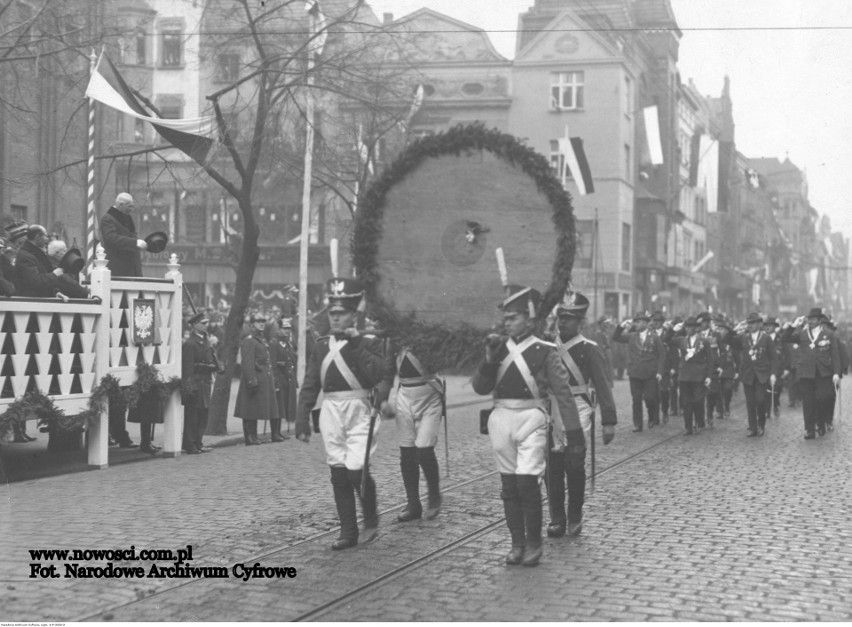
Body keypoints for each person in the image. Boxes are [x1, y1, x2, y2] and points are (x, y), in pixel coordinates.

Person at [471, 285, 582, 567]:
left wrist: (574, 435)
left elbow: (563, 393)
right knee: (509, 486)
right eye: (505, 317)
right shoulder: (496, 348)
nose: (507, 322)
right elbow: (480, 388)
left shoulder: (545, 350)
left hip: (532, 418)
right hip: (500, 420)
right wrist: (487, 360)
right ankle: (516, 543)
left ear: (529, 319)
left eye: (514, 317)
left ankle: (534, 543)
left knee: (527, 483)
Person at [295, 278, 389, 550]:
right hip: (331, 411)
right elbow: (311, 382)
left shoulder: (369, 342)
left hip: (361, 410)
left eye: (341, 314)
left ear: (353, 315)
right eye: (332, 314)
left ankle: (370, 518)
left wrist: (357, 343)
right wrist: (301, 419)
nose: (335, 319)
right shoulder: (321, 345)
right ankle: (348, 531)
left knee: (356, 470)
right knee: (338, 473)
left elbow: (375, 374)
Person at [546, 291, 616, 539]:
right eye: (561, 317)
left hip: (580, 408)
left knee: (574, 464)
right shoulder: (546, 347)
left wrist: (609, 421)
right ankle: (556, 518)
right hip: (552, 408)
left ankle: (575, 515)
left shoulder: (590, 349)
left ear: (580, 323)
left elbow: (603, 386)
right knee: (552, 467)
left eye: (570, 319)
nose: (563, 322)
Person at [383, 331, 444, 523]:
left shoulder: (429, 334)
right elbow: (387, 374)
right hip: (404, 397)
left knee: (424, 450)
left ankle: (434, 495)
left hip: (430, 396)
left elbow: (439, 362)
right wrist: (383, 399)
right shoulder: (393, 340)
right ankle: (413, 504)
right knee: (407, 453)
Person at [780, 309, 841, 439]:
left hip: (823, 373)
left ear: (820, 320)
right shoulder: (802, 334)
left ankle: (820, 422)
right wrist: (793, 325)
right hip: (806, 373)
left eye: (814, 319)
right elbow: (784, 338)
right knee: (808, 402)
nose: (811, 321)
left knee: (822, 398)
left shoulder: (829, 334)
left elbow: (835, 355)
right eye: (809, 319)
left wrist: (836, 373)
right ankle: (809, 429)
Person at [724, 312, 778, 437]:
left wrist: (773, 374)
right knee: (750, 402)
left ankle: (761, 423)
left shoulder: (766, 338)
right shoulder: (743, 337)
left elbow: (773, 358)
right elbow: (726, 340)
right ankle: (752, 427)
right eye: (749, 323)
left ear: (760, 324)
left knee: (760, 400)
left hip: (762, 374)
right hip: (748, 374)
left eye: (753, 323)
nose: (751, 325)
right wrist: (735, 330)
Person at [612, 310, 665, 432]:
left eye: (640, 321)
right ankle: (637, 424)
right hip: (635, 372)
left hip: (650, 374)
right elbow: (616, 337)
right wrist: (621, 326)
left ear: (646, 323)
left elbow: (662, 355)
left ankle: (652, 416)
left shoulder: (655, 338)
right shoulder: (631, 336)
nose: (637, 324)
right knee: (636, 400)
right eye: (636, 322)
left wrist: (660, 372)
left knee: (650, 398)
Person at [235, 313, 279, 445]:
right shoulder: (249, 340)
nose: (261, 323)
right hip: (253, 378)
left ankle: (253, 436)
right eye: (258, 321)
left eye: (263, 321)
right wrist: (251, 380)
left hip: (263, 377)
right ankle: (249, 437)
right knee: (249, 408)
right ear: (251, 324)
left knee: (253, 408)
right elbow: (247, 362)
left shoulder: (260, 339)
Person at [181, 312, 219, 454]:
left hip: (206, 382)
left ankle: (198, 442)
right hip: (196, 383)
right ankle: (190, 444)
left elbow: (211, 359)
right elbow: (187, 368)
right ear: (194, 325)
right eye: (203, 323)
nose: (206, 325)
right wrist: (189, 387)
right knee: (193, 415)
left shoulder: (206, 341)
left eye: (207, 323)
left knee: (203, 414)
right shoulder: (190, 344)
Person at [673, 317, 713, 435]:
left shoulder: (703, 341)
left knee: (698, 401)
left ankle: (700, 422)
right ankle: (688, 427)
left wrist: (709, 376)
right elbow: (667, 339)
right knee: (685, 402)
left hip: (699, 376)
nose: (689, 329)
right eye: (687, 327)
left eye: (691, 327)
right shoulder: (681, 340)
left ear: (696, 328)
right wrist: (675, 329)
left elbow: (711, 360)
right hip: (684, 376)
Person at [100, 192, 147, 277]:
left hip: (132, 266)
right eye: (129, 206)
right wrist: (135, 243)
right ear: (121, 205)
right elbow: (112, 239)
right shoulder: (107, 219)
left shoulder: (127, 218)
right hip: (117, 267)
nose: (131, 209)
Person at [12, 225, 64, 297]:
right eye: (45, 236)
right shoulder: (26, 256)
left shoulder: (34, 253)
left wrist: (55, 292)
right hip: (30, 302)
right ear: (37, 237)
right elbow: (34, 281)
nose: (46, 239)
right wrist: (54, 275)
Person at [267, 318, 297, 441]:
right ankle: (274, 433)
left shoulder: (287, 344)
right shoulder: (274, 344)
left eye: (288, 329)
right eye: (284, 329)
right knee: (277, 406)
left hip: (287, 378)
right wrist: (275, 381)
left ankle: (278, 432)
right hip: (279, 377)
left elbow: (291, 361)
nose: (287, 331)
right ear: (278, 329)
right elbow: (273, 364)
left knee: (283, 405)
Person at [713, 317, 740, 418]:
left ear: (727, 331)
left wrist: (737, 371)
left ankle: (727, 406)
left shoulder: (731, 342)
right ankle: (719, 410)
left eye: (722, 329)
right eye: (719, 329)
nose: (720, 331)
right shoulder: (714, 341)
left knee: (727, 389)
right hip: (716, 370)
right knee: (717, 391)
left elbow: (737, 357)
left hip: (728, 370)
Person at [763, 316, 786, 418]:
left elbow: (787, 354)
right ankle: (767, 410)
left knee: (777, 389)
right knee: (766, 390)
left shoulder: (780, 339)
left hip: (778, 369)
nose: (768, 328)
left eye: (770, 326)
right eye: (766, 325)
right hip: (764, 368)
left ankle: (775, 404)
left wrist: (786, 368)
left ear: (774, 327)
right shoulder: (761, 338)